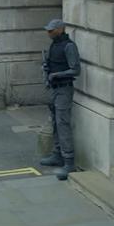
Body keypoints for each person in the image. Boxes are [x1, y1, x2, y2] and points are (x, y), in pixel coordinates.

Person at [39, 18, 81, 180]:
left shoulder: (69, 46)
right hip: (54, 88)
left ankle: (69, 162)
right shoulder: (55, 44)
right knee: (55, 123)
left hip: (64, 89)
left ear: (60, 30)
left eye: (51, 30)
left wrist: (57, 74)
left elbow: (75, 70)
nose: (48, 33)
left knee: (63, 124)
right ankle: (57, 154)